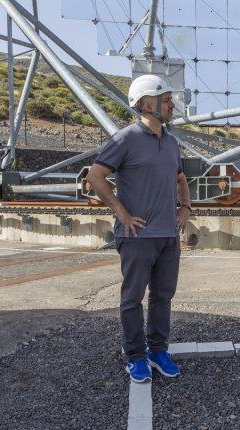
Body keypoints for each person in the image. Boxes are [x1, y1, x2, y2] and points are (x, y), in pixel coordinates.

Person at [86, 74, 191, 383]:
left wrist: (185, 209)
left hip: (167, 236)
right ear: (147, 104)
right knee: (132, 299)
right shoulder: (125, 139)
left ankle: (158, 350)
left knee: (163, 296)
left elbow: (181, 179)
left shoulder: (171, 143)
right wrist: (122, 213)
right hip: (137, 237)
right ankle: (135, 356)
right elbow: (95, 176)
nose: (172, 104)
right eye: (167, 99)